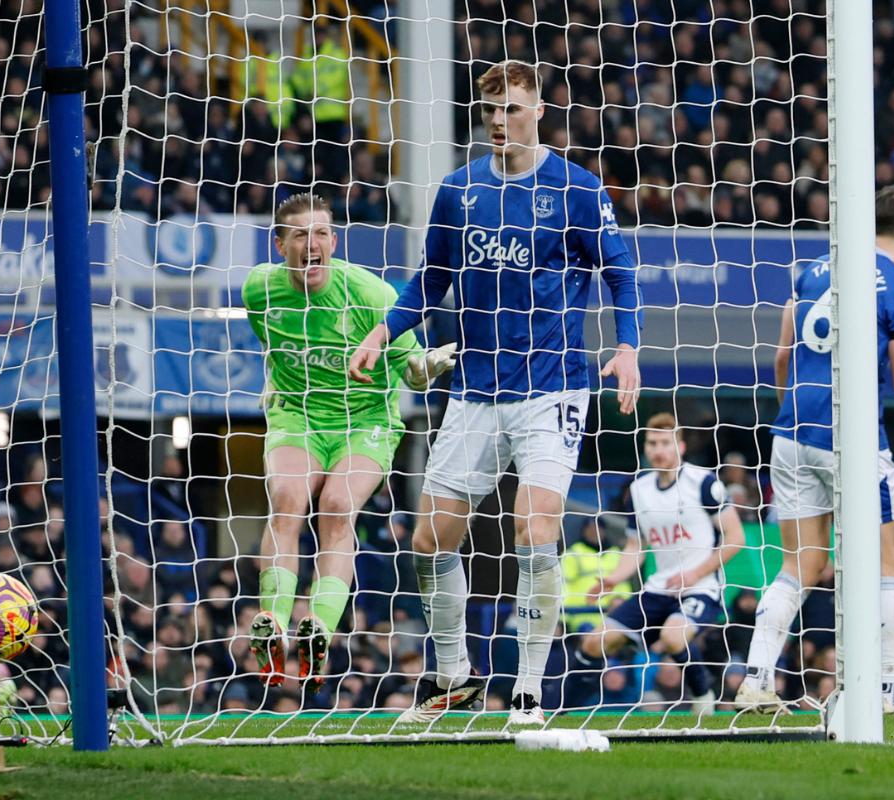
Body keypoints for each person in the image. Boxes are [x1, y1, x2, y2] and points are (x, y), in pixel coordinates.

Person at [348, 60, 641, 725]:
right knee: (429, 540)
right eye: (490, 111)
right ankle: (452, 677)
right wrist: (381, 332)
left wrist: (627, 346)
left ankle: (530, 693)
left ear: (539, 110)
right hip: (476, 390)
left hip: (553, 388)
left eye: (511, 108)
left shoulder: (577, 188)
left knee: (533, 529)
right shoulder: (459, 191)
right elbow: (429, 283)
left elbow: (620, 272)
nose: (499, 121)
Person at [738, 185, 894, 714]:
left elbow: (783, 356)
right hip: (851, 441)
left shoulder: (815, 270)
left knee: (799, 566)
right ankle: (884, 694)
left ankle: (756, 678)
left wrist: (796, 410)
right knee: (886, 565)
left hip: (791, 433)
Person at [242, 192, 455, 689]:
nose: (311, 244)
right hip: (298, 416)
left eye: (320, 234)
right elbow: (269, 343)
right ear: (280, 244)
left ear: (333, 241)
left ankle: (318, 627)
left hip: (366, 421)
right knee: (288, 498)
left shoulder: (370, 294)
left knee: (337, 505)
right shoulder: (258, 290)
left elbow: (413, 371)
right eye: (299, 235)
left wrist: (427, 369)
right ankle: (272, 624)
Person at [572, 413, 745, 717]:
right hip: (658, 590)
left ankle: (703, 696)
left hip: (700, 588)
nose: (658, 449)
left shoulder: (704, 483)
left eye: (665, 442)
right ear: (645, 447)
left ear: (680, 445)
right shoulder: (639, 490)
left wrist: (695, 572)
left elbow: (735, 538)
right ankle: (565, 711)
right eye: (652, 443)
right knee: (594, 642)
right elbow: (635, 547)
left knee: (673, 635)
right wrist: (613, 578)